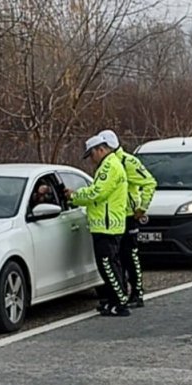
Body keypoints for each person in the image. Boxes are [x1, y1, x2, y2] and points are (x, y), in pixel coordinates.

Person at [66, 133, 132, 317]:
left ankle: (120, 302)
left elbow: (97, 193)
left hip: (107, 225)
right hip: (106, 224)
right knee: (110, 265)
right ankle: (113, 300)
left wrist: (74, 196)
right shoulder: (108, 165)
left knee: (108, 265)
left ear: (101, 150)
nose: (91, 160)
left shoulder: (109, 166)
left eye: (92, 155)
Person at [100, 130, 157, 308]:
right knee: (115, 258)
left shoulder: (128, 161)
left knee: (130, 256)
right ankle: (119, 294)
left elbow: (149, 182)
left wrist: (141, 208)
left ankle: (137, 293)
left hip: (128, 216)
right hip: (113, 217)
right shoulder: (107, 163)